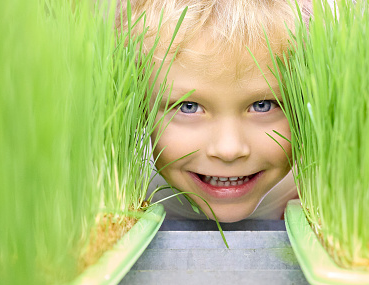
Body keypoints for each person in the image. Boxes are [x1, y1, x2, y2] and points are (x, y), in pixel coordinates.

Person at [116, 0, 312, 223]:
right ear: (137, 108)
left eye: (262, 105)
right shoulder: (104, 198)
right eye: (189, 107)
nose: (228, 149)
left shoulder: (324, 193)